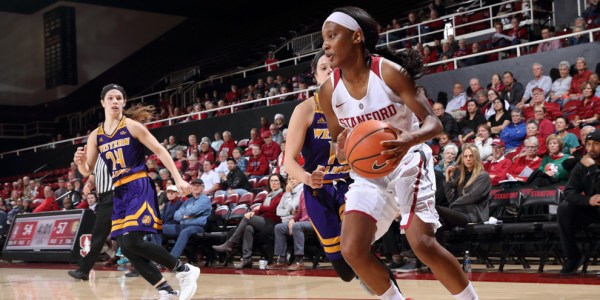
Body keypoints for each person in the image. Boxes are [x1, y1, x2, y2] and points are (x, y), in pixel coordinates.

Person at [318, 7, 478, 300]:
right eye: (323, 39)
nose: (325, 44)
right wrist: (337, 156)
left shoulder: (388, 72)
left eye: (332, 36)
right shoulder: (329, 92)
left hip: (408, 160)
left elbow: (434, 122)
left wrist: (410, 138)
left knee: (422, 243)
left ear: (356, 37)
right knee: (351, 249)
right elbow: (337, 142)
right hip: (368, 174)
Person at [73, 84, 199, 300]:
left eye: (119, 98)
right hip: (118, 190)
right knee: (126, 246)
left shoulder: (132, 126)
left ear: (123, 102)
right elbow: (88, 170)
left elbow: (160, 150)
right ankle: (165, 290)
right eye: (110, 98)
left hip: (138, 185)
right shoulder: (96, 135)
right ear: (102, 103)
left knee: (131, 240)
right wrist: (81, 163)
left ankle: (184, 270)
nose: (114, 101)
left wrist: (178, 179)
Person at [283, 49, 358, 283]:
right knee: (344, 271)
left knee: (357, 247)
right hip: (318, 188)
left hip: (351, 183)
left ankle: (387, 288)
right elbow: (288, 161)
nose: (330, 72)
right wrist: (306, 178)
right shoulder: (304, 109)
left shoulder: (358, 105)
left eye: (334, 67)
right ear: (316, 76)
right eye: (324, 68)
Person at [212, 173, 285, 269]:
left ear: (281, 183)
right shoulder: (269, 195)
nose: (273, 183)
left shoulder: (282, 195)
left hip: (274, 223)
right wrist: (254, 211)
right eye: (271, 181)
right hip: (264, 221)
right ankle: (247, 259)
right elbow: (262, 209)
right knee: (248, 227)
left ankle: (230, 243)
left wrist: (260, 207)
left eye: (276, 181)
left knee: (247, 218)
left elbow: (272, 209)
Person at [558, 129, 600, 275]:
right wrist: (588, 200)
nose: (591, 148)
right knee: (564, 209)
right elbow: (569, 191)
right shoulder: (582, 165)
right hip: (593, 209)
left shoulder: (589, 165)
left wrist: (593, 169)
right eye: (588, 144)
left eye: (596, 144)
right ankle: (573, 256)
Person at [67, 157, 115, 281]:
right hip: (105, 200)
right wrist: (88, 184)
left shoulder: (114, 152)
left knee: (127, 239)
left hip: (115, 197)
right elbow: (92, 177)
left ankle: (83, 270)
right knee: (99, 238)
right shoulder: (98, 159)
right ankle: (83, 270)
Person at [438, 144, 491, 241]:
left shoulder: (483, 176)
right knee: (437, 221)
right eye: (466, 156)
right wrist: (448, 179)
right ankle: (438, 250)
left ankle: (437, 251)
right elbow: (451, 199)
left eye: (471, 156)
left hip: (472, 215)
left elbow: (473, 197)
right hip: (458, 212)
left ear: (476, 158)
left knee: (436, 210)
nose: (468, 159)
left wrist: (454, 204)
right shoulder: (461, 175)